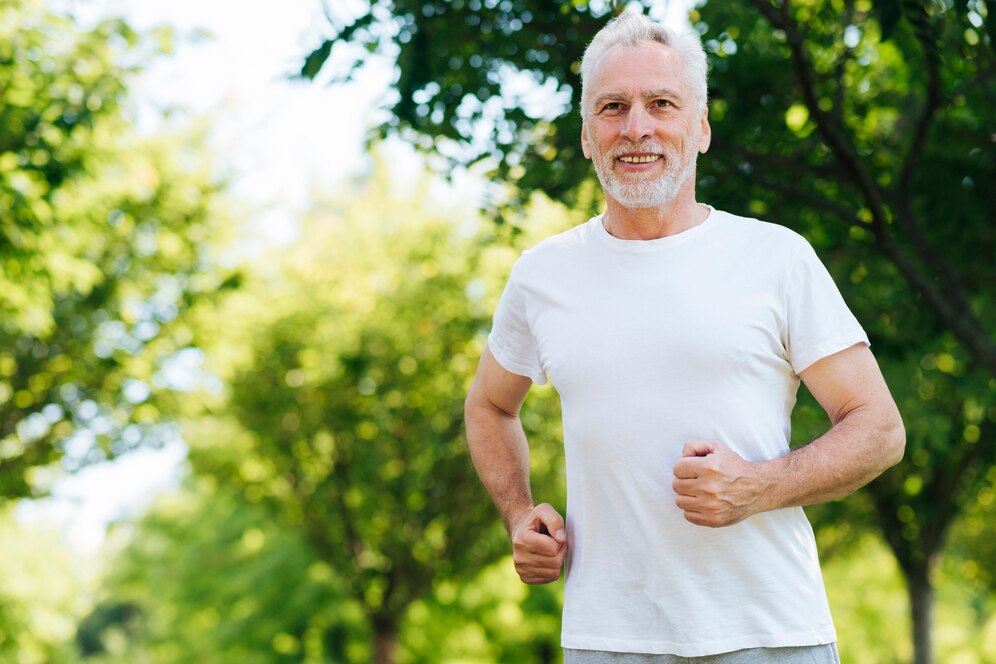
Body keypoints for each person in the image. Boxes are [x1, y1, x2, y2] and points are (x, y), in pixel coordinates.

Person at [463, 9, 905, 664]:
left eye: (661, 104)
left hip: (771, 635)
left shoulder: (776, 258)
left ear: (699, 127)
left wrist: (762, 484)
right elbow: (490, 406)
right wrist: (518, 514)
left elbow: (880, 429)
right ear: (587, 134)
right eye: (613, 107)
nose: (636, 127)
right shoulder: (542, 276)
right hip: (607, 642)